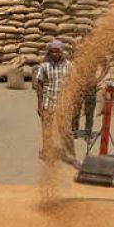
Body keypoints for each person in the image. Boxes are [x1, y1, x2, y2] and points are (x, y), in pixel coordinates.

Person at [36, 39, 78, 168]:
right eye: (52, 52)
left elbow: (73, 83)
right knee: (47, 131)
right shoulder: (44, 66)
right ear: (49, 52)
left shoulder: (69, 65)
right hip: (48, 103)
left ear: (61, 52)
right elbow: (39, 86)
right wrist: (40, 106)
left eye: (57, 51)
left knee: (66, 131)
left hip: (63, 104)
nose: (54, 54)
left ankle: (72, 157)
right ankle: (48, 155)